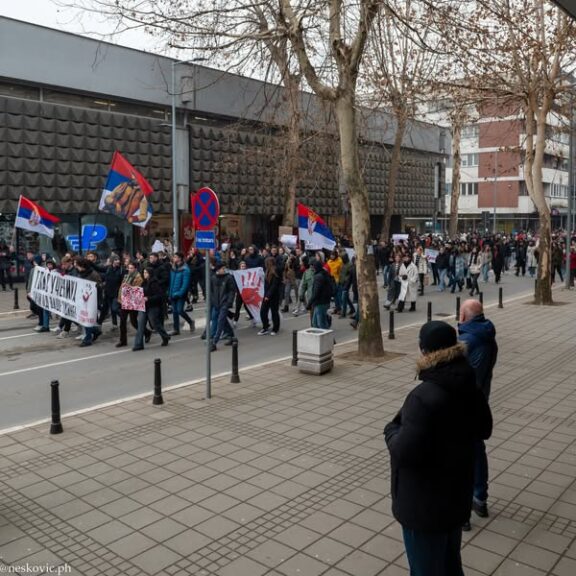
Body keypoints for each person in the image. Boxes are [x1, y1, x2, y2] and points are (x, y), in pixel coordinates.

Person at [384, 321, 493, 576]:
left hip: (424, 504)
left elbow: (404, 451)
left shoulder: (423, 397)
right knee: (450, 563)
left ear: (424, 351)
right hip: (455, 497)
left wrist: (390, 431)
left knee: (425, 569)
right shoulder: (468, 383)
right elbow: (484, 428)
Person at [459, 299, 498, 530]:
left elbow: (453, 370)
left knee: (461, 456)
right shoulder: (487, 334)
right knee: (476, 449)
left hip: (464, 405)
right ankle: (480, 498)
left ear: (464, 316)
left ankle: (463, 512)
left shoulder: (467, 340)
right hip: (480, 400)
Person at [133, 267, 170, 351]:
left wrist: (148, 298)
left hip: (153, 306)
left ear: (150, 273)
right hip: (143, 306)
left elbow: (159, 296)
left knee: (154, 324)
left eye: (146, 273)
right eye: (144, 272)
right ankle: (138, 344)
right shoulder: (143, 282)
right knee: (140, 325)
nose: (144, 274)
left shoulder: (154, 283)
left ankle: (165, 337)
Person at [75, 258, 103, 347]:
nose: (77, 267)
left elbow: (99, 285)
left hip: (92, 301)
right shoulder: (80, 274)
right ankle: (95, 331)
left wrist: (93, 287)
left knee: (87, 319)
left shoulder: (93, 274)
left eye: (78, 266)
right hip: (83, 300)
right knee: (84, 318)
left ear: (83, 266)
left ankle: (88, 339)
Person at [209, 262, 237, 351]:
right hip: (216, 304)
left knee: (220, 321)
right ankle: (232, 337)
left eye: (224, 268)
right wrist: (213, 301)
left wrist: (229, 302)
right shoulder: (213, 278)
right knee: (221, 320)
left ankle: (214, 342)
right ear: (218, 269)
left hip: (224, 303)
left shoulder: (228, 278)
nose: (224, 270)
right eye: (222, 268)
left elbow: (232, 291)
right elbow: (210, 291)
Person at [116, 261, 143, 348]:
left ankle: (146, 332)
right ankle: (123, 340)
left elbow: (137, 290)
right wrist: (120, 298)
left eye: (131, 268)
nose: (129, 270)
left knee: (134, 322)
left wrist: (128, 286)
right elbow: (122, 287)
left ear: (135, 268)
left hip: (132, 302)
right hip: (125, 301)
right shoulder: (126, 276)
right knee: (122, 322)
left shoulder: (138, 277)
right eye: (129, 268)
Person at [169, 252, 194, 336]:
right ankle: (176, 329)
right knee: (175, 312)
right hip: (172, 293)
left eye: (175, 257)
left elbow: (185, 284)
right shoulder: (173, 268)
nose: (174, 258)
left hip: (180, 294)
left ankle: (190, 321)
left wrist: (179, 293)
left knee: (180, 310)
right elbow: (171, 281)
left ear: (180, 258)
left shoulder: (185, 269)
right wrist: (169, 292)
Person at [258, 256, 282, 335]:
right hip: (267, 295)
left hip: (274, 295)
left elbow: (274, 285)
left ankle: (275, 328)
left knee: (274, 312)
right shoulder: (267, 271)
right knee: (263, 311)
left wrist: (268, 295)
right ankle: (266, 326)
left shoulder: (276, 271)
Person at [308, 260, 333, 329]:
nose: (312, 268)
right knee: (315, 323)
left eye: (313, 266)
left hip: (320, 302)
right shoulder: (325, 274)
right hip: (324, 301)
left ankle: (325, 337)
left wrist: (309, 303)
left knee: (320, 323)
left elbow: (316, 292)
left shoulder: (318, 277)